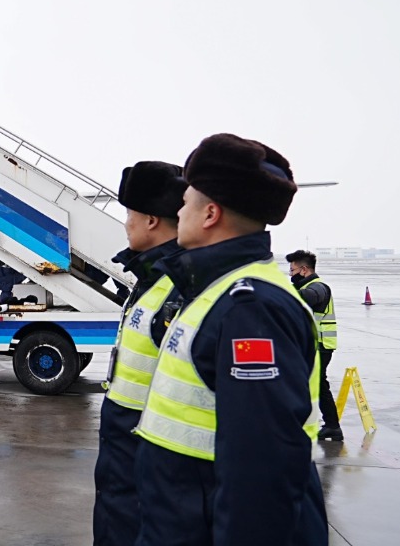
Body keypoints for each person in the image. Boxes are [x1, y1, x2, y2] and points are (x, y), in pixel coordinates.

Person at [134, 134, 327, 546]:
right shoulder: (215, 291)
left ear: (210, 214)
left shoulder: (251, 310)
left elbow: (262, 469)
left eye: (185, 202)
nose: (178, 211)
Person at [93, 161, 186, 546]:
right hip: (127, 465)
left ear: (150, 220)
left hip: (148, 466)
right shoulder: (152, 281)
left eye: (129, 213)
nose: (126, 223)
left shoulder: (177, 289)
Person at [287, 249, 342, 441]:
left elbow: (309, 296)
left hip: (321, 346)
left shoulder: (319, 287)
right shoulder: (307, 286)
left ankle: (331, 426)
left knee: (314, 384)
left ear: (303, 270)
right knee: (317, 385)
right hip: (312, 346)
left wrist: (282, 293)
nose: (290, 275)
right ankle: (332, 426)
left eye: (292, 271)